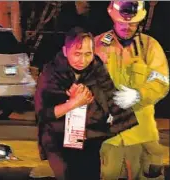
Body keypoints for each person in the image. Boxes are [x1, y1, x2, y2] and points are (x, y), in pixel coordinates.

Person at [35, 27, 138, 180]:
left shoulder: (97, 70)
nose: (82, 60)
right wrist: (74, 103)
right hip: (58, 139)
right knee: (68, 173)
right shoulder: (51, 73)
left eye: (88, 54)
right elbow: (44, 114)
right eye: (77, 54)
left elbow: (114, 102)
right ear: (65, 51)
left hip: (90, 138)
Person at [95, 1, 169, 179]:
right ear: (113, 18)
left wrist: (139, 95)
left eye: (132, 24)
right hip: (108, 134)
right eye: (122, 23)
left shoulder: (150, 47)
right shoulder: (97, 45)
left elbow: (162, 82)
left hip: (142, 134)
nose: (127, 27)